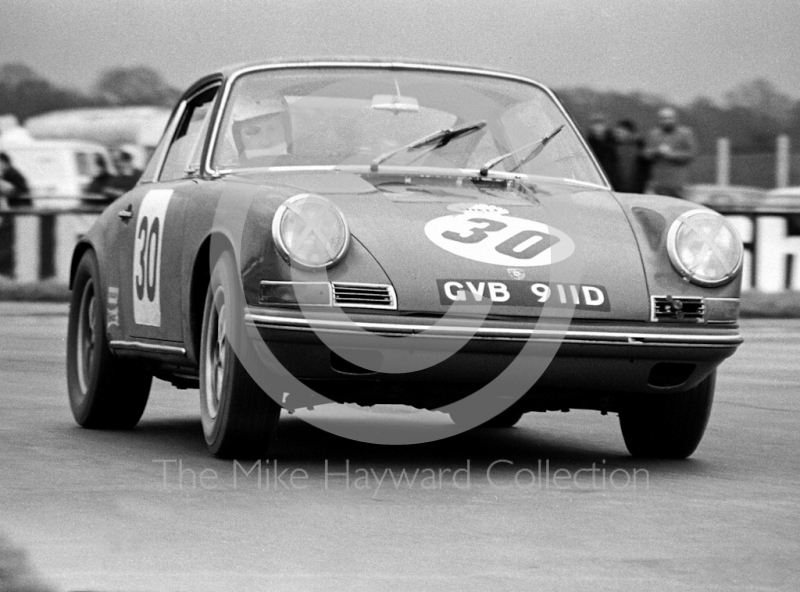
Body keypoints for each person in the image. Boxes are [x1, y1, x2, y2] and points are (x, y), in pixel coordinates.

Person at [643, 107, 698, 199]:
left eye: (669, 118)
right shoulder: (653, 134)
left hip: (679, 183)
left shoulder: (685, 133)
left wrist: (671, 154)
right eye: (663, 118)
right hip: (658, 182)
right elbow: (645, 153)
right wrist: (657, 151)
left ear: (675, 119)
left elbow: (691, 153)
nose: (666, 121)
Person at [613, 119, 650, 193]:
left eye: (620, 132)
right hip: (617, 189)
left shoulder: (640, 148)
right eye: (616, 132)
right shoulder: (612, 148)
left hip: (636, 189)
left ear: (629, 133)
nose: (617, 135)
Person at [585, 113, 619, 189]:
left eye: (600, 123)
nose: (598, 127)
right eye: (595, 123)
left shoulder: (614, 143)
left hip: (613, 181)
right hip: (595, 180)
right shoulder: (587, 143)